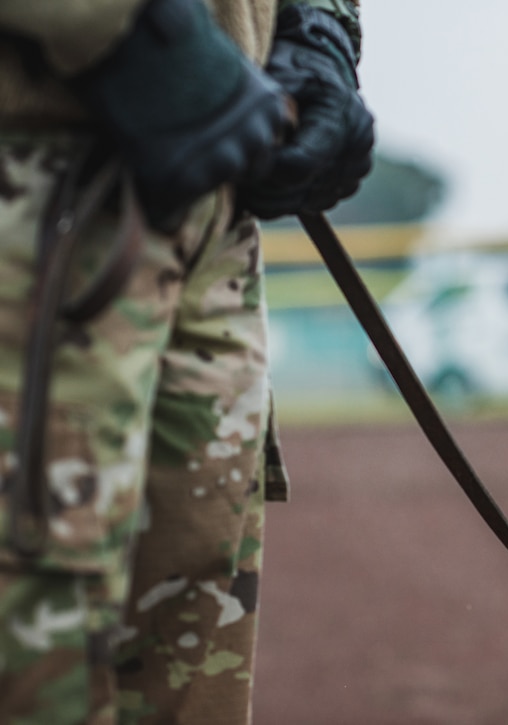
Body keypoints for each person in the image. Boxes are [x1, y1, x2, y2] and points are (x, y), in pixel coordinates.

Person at [0, 0, 375, 721]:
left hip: (212, 195)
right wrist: (127, 28)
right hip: (35, 168)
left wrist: (318, 27)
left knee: (191, 672)